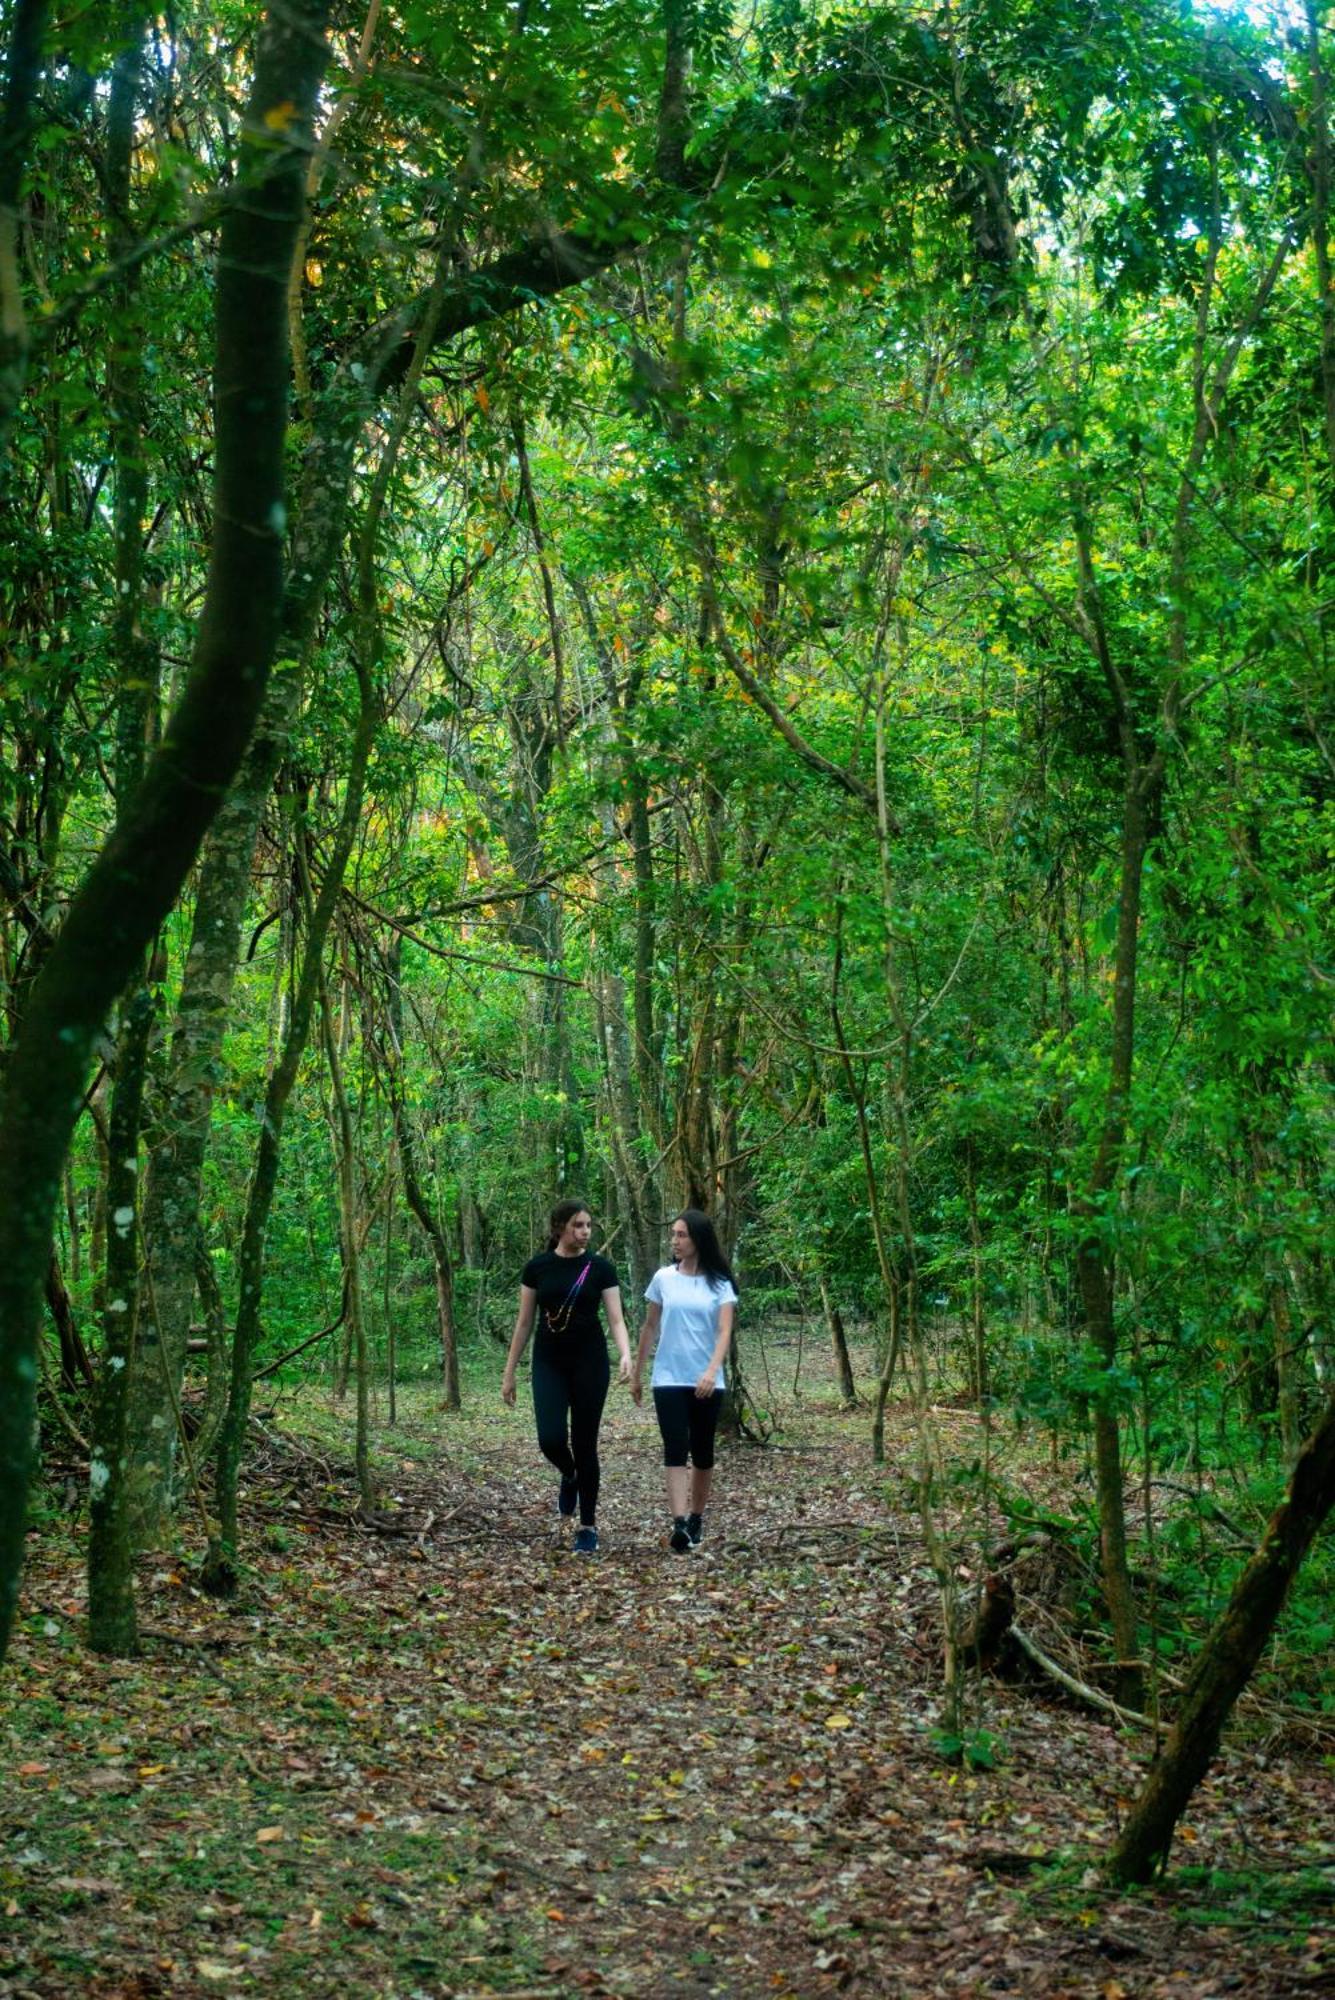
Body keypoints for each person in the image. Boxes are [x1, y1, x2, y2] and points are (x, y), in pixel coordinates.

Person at [502, 1199, 632, 1555]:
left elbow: (616, 1318)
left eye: (588, 1225)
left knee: (586, 1444)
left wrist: (625, 1354)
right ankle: (569, 1474)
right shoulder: (537, 1268)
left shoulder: (601, 1268)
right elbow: (524, 1322)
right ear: (559, 1228)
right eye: (578, 1225)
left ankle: (587, 1526)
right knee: (551, 1438)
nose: (585, 1231)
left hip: (590, 1364)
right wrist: (509, 1372)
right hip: (549, 1363)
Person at [631, 1209, 737, 1553]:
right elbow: (650, 1327)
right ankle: (678, 1524)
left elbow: (724, 1331)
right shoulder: (663, 1278)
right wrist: (638, 1371)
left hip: (707, 1379)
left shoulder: (720, 1284)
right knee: (674, 1448)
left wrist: (711, 1370)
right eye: (673, 1234)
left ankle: (696, 1516)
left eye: (681, 1235)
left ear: (698, 1239)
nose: (674, 1240)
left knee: (703, 1452)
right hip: (668, 1377)